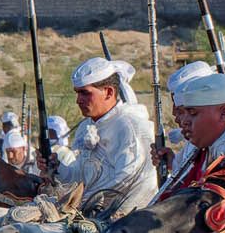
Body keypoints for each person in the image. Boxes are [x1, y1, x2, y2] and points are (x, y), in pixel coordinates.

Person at [58, 56, 159, 216]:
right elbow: (80, 177)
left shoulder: (130, 126)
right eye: (77, 93)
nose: (78, 100)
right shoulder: (85, 127)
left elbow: (127, 179)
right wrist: (56, 169)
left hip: (128, 219)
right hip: (91, 213)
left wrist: (81, 201)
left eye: (85, 93)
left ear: (109, 92)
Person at [158, 70, 225, 193]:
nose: (184, 121)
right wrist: (172, 162)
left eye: (193, 113)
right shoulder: (215, 144)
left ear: (223, 114)